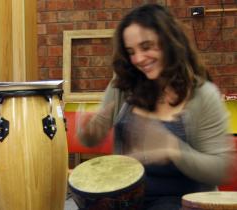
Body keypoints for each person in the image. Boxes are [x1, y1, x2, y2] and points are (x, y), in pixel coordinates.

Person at [77, 4, 235, 210]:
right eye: (131, 51)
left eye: (146, 47)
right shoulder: (124, 84)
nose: (139, 59)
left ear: (169, 42)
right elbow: (91, 138)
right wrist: (90, 131)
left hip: (181, 203)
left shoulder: (202, 95)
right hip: (126, 201)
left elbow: (221, 169)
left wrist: (173, 149)